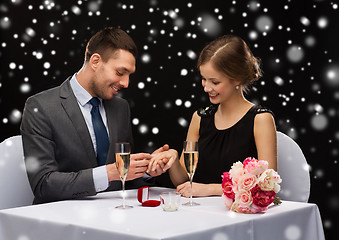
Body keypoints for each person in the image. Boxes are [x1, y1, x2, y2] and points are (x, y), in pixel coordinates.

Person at [20, 27, 166, 204]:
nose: (126, 83)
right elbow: (43, 185)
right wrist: (109, 172)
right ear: (95, 61)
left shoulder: (121, 108)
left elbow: (123, 179)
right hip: (62, 220)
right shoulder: (41, 107)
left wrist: (146, 170)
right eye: (120, 73)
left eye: (129, 75)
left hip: (116, 217)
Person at [148, 34, 277, 198]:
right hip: (199, 215)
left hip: (239, 216)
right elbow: (183, 181)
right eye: (203, 79)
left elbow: (267, 183)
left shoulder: (260, 119)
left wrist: (209, 189)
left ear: (236, 79)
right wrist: (172, 159)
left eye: (215, 82)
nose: (206, 88)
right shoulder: (200, 118)